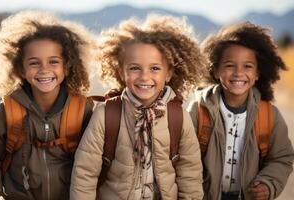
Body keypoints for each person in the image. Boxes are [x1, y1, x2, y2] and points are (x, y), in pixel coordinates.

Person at [70, 14, 206, 200]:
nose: (144, 77)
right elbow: (85, 173)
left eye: (155, 68)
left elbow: (190, 176)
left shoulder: (178, 116)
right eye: (135, 68)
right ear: (121, 71)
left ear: (169, 74)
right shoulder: (106, 114)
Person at [0, 11, 96, 200]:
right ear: (20, 68)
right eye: (34, 63)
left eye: (54, 61)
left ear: (67, 65)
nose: (44, 69)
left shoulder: (82, 109)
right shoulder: (6, 112)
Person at [187, 21, 294, 200]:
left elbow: (282, 158)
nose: (239, 73)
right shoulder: (199, 110)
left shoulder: (268, 115)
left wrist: (269, 183)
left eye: (247, 66)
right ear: (215, 70)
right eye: (230, 65)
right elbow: (183, 159)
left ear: (258, 73)